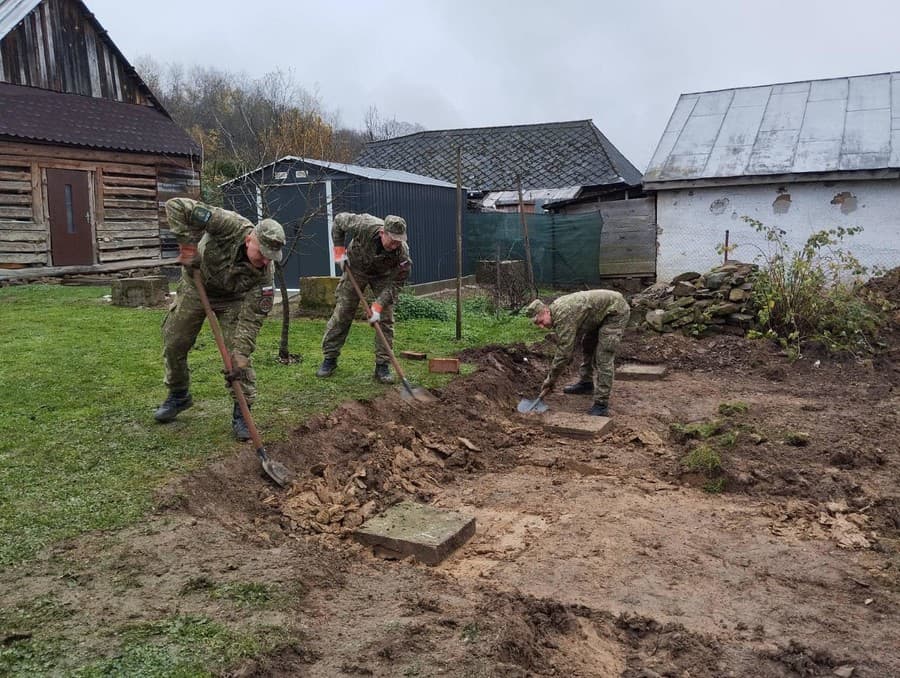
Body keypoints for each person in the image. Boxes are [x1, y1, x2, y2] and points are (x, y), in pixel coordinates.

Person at [154, 197, 285, 440]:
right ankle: (179, 394)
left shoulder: (266, 274)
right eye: (262, 253)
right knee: (174, 343)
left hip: (233, 299)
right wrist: (187, 245)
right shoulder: (227, 224)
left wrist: (241, 354)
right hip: (196, 286)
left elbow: (253, 316)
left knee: (237, 357)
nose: (265, 261)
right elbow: (175, 206)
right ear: (249, 240)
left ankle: (242, 414)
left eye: (271, 256)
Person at [316, 212, 412, 384]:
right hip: (356, 269)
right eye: (392, 240)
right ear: (383, 232)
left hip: (383, 276)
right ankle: (330, 358)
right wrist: (339, 251)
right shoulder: (364, 224)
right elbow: (338, 221)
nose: (395, 244)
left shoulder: (402, 253)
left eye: (399, 240)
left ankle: (382, 365)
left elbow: (397, 283)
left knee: (385, 318)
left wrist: (378, 306)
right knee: (343, 312)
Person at [524, 289, 631, 416]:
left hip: (614, 312)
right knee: (588, 345)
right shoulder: (555, 311)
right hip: (597, 315)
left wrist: (550, 380)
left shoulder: (563, 315)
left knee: (603, 356)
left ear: (546, 311)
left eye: (541, 321)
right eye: (537, 324)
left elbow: (564, 353)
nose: (541, 326)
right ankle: (586, 383)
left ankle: (601, 404)